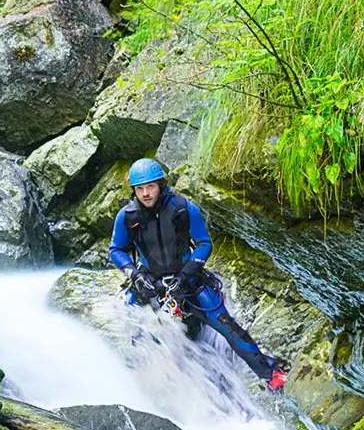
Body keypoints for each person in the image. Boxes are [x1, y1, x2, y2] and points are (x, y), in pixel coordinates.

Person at [109, 159, 289, 391]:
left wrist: (185, 276)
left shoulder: (183, 209)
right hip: (151, 285)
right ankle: (133, 388)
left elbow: (204, 243)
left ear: (161, 185)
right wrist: (133, 274)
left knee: (228, 327)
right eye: (140, 188)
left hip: (190, 283)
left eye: (150, 187)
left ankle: (270, 373)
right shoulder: (127, 217)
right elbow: (116, 249)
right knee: (136, 334)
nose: (145, 193)